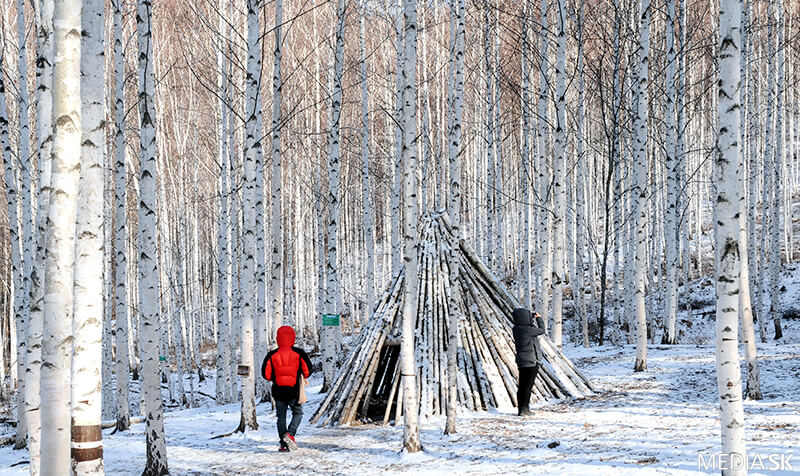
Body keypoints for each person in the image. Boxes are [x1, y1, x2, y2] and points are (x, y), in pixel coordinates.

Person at [261, 325, 312, 452]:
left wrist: (275, 376)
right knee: (298, 413)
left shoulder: (272, 354)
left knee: (281, 417)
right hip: (294, 390)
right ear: (292, 338)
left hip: (278, 391)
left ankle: (283, 444)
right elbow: (307, 371)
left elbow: (265, 375)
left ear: (278, 338)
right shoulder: (299, 353)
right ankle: (290, 434)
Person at [511, 308, 545, 417]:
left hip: (522, 361)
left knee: (522, 386)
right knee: (527, 387)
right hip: (531, 361)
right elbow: (542, 330)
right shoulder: (528, 329)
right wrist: (539, 318)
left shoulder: (516, 329)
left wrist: (530, 318)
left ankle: (521, 409)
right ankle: (525, 409)